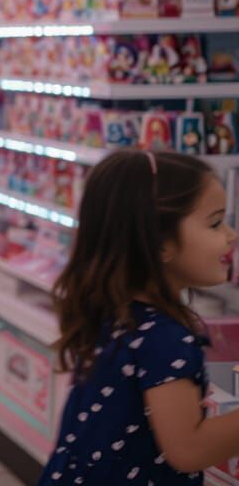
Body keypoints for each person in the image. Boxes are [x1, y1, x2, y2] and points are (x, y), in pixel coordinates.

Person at [38, 151, 237, 485]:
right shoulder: (165, 338)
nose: (231, 234)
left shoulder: (116, 313)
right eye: (216, 222)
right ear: (160, 243)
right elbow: (188, 448)